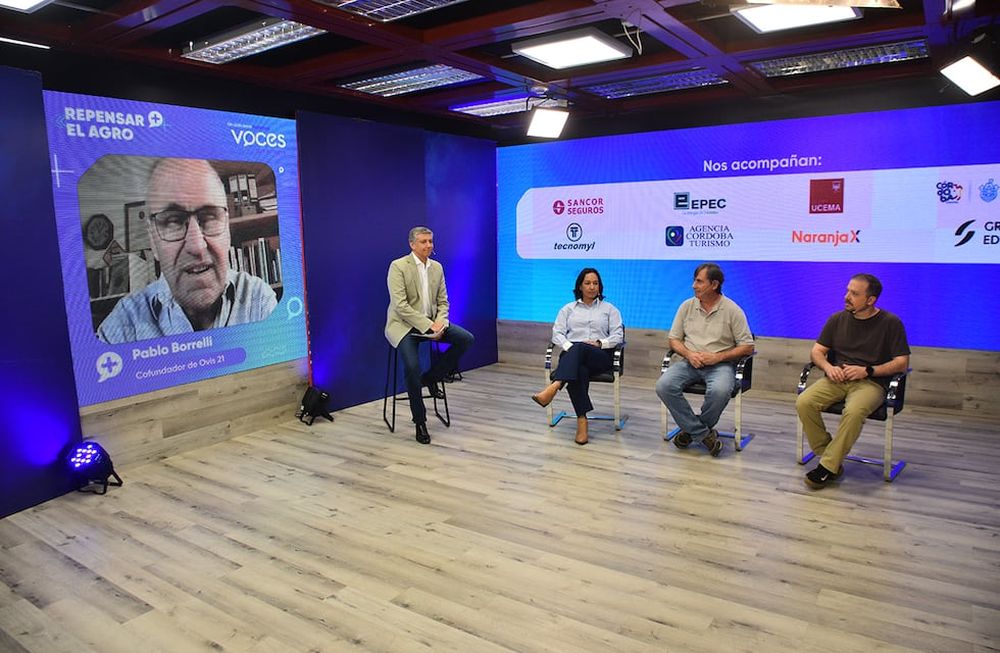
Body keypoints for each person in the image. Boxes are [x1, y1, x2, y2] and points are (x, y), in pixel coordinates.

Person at [97, 158, 277, 343]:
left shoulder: (258, 299)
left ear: (227, 231)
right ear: (153, 241)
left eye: (209, 217)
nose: (197, 246)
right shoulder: (122, 327)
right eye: (173, 221)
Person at [796, 273, 910, 489]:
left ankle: (827, 467)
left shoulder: (891, 323)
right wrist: (829, 367)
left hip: (872, 382)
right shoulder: (837, 319)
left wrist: (867, 370)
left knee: (854, 411)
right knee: (804, 402)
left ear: (871, 300)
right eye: (848, 291)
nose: (847, 296)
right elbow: (817, 352)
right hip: (837, 377)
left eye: (854, 294)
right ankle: (829, 456)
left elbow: (901, 363)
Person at [385, 226, 474, 445]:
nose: (428, 245)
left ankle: (432, 377)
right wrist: (428, 327)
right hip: (404, 326)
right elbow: (401, 306)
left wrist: (441, 323)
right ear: (412, 244)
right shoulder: (398, 266)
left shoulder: (437, 267)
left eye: (430, 241)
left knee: (466, 339)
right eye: (423, 242)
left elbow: (443, 302)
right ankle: (420, 421)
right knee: (412, 368)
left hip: (433, 323)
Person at [655, 263, 754, 456]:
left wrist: (718, 357)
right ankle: (703, 434)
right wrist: (689, 354)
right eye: (694, 280)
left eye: (699, 281)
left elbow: (748, 346)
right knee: (663, 386)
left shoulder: (733, 310)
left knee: (720, 390)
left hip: (720, 365)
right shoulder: (686, 306)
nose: (694, 285)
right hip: (689, 362)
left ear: (714, 284)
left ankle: (691, 432)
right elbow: (673, 339)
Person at [531, 268, 624, 446]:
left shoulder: (610, 309)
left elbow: (618, 336)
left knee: (580, 349)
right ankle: (582, 421)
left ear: (600, 286)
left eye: (595, 283)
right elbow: (557, 334)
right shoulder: (568, 309)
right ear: (580, 286)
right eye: (587, 283)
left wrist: (599, 343)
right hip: (573, 356)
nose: (591, 287)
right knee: (579, 369)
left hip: (599, 356)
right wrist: (570, 347)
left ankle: (555, 385)